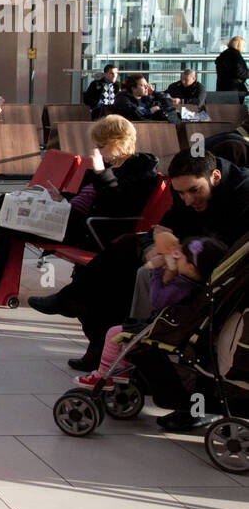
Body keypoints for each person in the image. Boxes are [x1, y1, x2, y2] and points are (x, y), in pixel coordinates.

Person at [30, 150, 249, 373]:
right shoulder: (187, 190)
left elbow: (229, 251)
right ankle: (96, 333)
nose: (188, 200)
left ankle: (84, 314)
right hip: (187, 253)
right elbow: (166, 226)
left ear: (216, 176)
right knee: (127, 249)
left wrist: (176, 251)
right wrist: (151, 248)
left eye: (194, 191)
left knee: (132, 273)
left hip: (219, 270)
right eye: (181, 193)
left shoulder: (243, 193)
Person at [0, 115, 159, 292]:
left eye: (101, 146)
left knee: (4, 212)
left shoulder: (139, 168)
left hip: (88, 230)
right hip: (68, 217)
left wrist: (102, 173)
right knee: (6, 204)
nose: (97, 150)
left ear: (118, 142)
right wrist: (62, 197)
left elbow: (118, 206)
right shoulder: (109, 166)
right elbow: (85, 198)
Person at [75, 232, 227, 390]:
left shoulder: (181, 286)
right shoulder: (198, 286)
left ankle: (105, 375)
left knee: (114, 334)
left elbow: (157, 301)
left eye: (180, 256)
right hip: (173, 326)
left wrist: (157, 272)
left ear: (190, 267)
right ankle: (122, 369)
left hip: (161, 328)